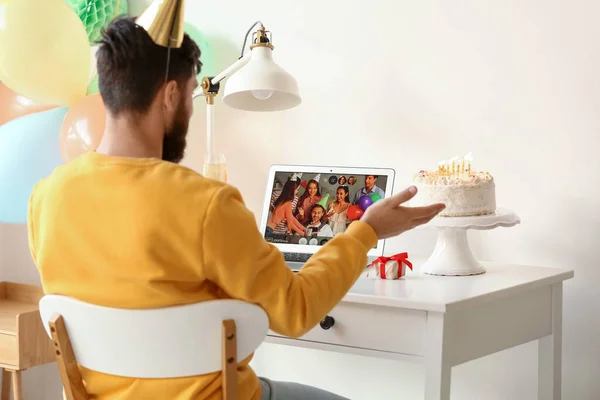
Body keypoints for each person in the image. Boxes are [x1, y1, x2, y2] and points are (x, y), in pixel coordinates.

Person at [26, 17, 445, 400]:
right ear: (170, 96)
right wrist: (367, 231)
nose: (191, 106)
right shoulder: (205, 204)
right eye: (192, 93)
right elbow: (295, 310)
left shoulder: (46, 198)